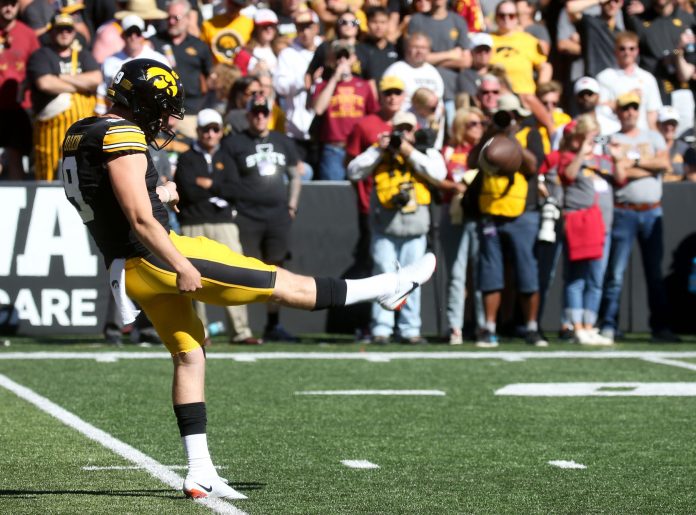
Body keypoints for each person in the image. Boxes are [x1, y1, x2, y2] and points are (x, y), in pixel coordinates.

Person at [60, 57, 436, 499]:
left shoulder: (82, 132)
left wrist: (160, 192)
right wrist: (181, 263)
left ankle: (199, 470)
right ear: (144, 104)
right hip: (161, 255)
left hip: (129, 266)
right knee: (284, 284)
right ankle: (387, 288)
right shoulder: (121, 134)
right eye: (164, 108)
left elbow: (104, 200)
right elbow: (141, 220)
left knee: (190, 355)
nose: (168, 119)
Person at [347, 110, 446, 344]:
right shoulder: (380, 151)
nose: (403, 135)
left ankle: (410, 329)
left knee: (414, 279)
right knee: (383, 275)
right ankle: (381, 328)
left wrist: (410, 151)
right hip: (385, 225)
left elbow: (439, 173)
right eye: (399, 129)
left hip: (416, 226)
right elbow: (353, 170)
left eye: (408, 130)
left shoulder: (424, 151)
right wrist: (378, 149)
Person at [174, 108, 261, 345]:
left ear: (221, 132)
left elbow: (238, 190)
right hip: (194, 223)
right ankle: (200, 332)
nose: (211, 135)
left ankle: (241, 331)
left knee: (236, 275)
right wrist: (219, 188)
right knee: (193, 280)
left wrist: (209, 184)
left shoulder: (227, 157)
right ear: (198, 131)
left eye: (215, 129)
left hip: (224, 223)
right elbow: (189, 191)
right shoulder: (187, 158)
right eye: (206, 130)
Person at [221, 94, 301, 341]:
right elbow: (229, 181)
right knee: (243, 270)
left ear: (270, 114)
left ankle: (273, 324)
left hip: (277, 215)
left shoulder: (282, 141)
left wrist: (292, 205)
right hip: (247, 214)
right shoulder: (235, 143)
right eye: (255, 112)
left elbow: (295, 175)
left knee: (276, 269)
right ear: (247, 115)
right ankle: (241, 329)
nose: (259, 116)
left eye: (263, 112)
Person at [599, 92, 677, 343]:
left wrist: (632, 160)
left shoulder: (653, 136)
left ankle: (661, 327)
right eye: (625, 108)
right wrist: (646, 165)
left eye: (634, 108)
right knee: (616, 273)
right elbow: (617, 174)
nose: (630, 112)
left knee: (654, 273)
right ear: (618, 112)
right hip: (625, 211)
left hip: (652, 209)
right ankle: (609, 324)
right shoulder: (612, 139)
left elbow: (664, 164)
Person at [556, 115, 627, 345]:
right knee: (576, 277)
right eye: (589, 136)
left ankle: (589, 325)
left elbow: (621, 179)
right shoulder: (568, 156)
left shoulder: (601, 159)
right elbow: (567, 175)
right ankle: (576, 326)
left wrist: (616, 159)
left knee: (597, 277)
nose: (593, 140)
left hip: (602, 225)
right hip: (580, 223)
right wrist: (581, 153)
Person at [27, 12, 101, 181]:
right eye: (60, 29)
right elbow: (45, 84)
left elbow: (96, 79)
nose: (64, 33)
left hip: (82, 133)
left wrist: (61, 77)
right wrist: (80, 85)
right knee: (49, 177)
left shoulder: (84, 55)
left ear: (74, 32)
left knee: (81, 177)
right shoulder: (41, 56)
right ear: (51, 31)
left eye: (68, 29)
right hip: (51, 134)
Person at [439, 107, 486, 344]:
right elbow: (435, 178)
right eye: (473, 123)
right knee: (456, 274)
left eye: (481, 123)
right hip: (454, 214)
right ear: (459, 126)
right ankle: (454, 327)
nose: (479, 127)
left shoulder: (485, 151)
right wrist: (453, 187)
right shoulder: (448, 151)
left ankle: (483, 326)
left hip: (479, 216)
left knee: (480, 273)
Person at [311, 40, 378, 180]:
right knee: (333, 194)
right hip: (333, 149)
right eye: (337, 56)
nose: (342, 60)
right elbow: (318, 109)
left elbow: (373, 115)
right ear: (331, 60)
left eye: (345, 56)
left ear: (353, 58)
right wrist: (335, 78)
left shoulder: (364, 86)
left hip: (359, 149)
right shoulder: (323, 85)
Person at [151, 0, 213, 139]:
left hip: (190, 112)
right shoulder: (154, 42)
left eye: (176, 18)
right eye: (169, 18)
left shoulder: (199, 46)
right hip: (160, 113)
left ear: (187, 18)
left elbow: (209, 77)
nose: (171, 22)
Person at [96, 14, 169, 115]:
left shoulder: (158, 60)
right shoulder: (110, 62)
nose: (133, 37)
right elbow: (102, 91)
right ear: (123, 35)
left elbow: (168, 91)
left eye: (137, 33)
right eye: (129, 33)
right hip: (118, 116)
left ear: (143, 35)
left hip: (150, 117)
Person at [0, 0, 39, 180]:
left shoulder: (28, 34)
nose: (8, 8)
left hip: (20, 107)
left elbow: (37, 68)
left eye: (12, 4)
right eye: (3, 4)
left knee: (15, 155)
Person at [595, 31, 662, 131]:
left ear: (637, 51)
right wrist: (628, 97)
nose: (627, 53)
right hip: (615, 134)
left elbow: (652, 113)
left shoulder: (648, 78)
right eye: (622, 49)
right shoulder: (604, 77)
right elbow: (600, 108)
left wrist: (655, 138)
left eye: (631, 49)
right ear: (615, 51)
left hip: (642, 135)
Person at [656, 106, 690, 181]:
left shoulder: (685, 149)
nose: (669, 127)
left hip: (680, 190)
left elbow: (693, 176)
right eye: (665, 123)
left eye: (673, 124)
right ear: (658, 125)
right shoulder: (651, 147)